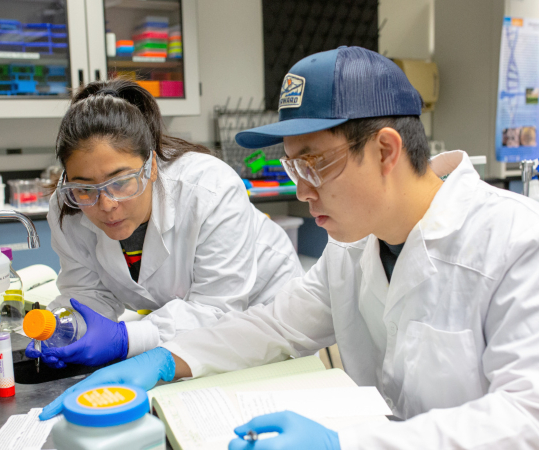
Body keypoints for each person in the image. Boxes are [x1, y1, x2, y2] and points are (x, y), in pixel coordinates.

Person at [39, 47, 539, 449]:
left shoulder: (517, 243)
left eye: (315, 164)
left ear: (385, 150)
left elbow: (525, 418)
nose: (302, 191)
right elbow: (274, 326)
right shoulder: (354, 250)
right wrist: (164, 358)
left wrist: (346, 443)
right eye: (293, 167)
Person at [25, 78, 303, 368]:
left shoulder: (210, 188)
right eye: (84, 187)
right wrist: (67, 331)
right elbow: (87, 296)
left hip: (264, 309)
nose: (106, 204)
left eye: (120, 182)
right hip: (183, 321)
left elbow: (215, 310)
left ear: (152, 166)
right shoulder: (68, 205)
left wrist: (124, 338)